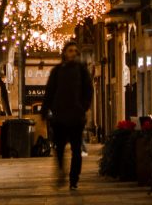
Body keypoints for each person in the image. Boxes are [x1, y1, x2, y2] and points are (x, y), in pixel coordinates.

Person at [40, 41, 93, 191]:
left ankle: (73, 179)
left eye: (75, 51)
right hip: (60, 117)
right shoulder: (56, 71)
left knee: (77, 150)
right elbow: (49, 92)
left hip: (76, 116)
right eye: (70, 50)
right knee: (59, 148)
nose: (73, 53)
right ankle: (61, 171)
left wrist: (83, 107)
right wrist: (44, 111)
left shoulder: (82, 71)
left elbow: (88, 91)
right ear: (64, 53)